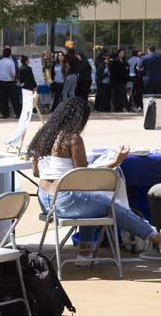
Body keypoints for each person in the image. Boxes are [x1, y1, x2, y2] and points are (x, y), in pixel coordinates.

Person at [27, 97, 161, 262]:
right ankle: (154, 236)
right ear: (78, 118)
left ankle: (85, 253)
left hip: (45, 201)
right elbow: (85, 177)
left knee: (92, 201)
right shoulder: (72, 139)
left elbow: (35, 172)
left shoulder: (41, 137)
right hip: (65, 201)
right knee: (107, 204)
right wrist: (116, 162)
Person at [6, 56, 37, 149]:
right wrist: (35, 86)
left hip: (23, 86)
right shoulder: (28, 69)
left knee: (25, 100)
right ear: (26, 61)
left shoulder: (20, 68)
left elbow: (18, 78)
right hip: (29, 86)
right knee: (30, 99)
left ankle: (30, 111)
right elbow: (32, 78)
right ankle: (33, 110)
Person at [0, 47, 21, 118]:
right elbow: (13, 74)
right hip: (10, 82)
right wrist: (14, 79)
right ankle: (18, 114)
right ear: (10, 54)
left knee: (3, 99)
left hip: (1, 82)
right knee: (14, 99)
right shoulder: (11, 63)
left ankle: (5, 114)